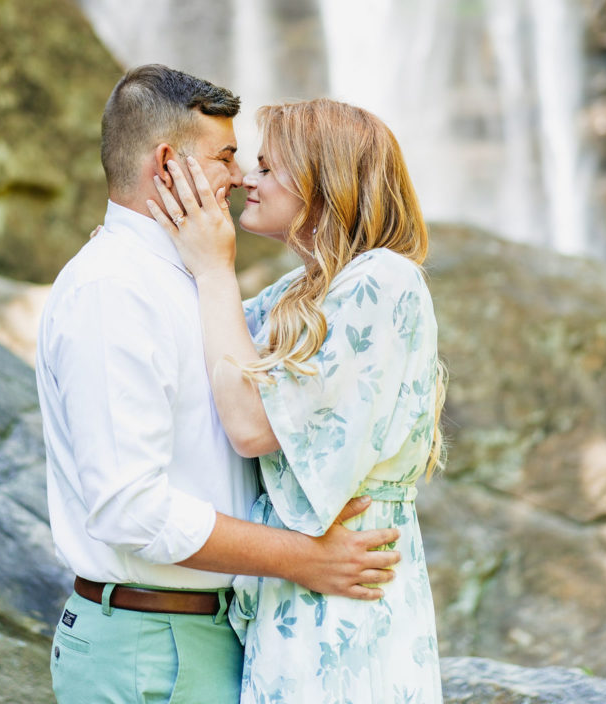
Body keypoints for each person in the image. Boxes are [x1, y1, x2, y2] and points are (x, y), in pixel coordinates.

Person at [35, 66, 402, 704]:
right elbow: (131, 507)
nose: (239, 177)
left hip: (195, 635)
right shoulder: (113, 292)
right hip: (152, 648)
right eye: (226, 156)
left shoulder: (189, 280)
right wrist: (302, 557)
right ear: (168, 163)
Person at [148, 97, 446, 704]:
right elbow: (206, 344)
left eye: (266, 165)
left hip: (347, 596)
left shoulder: (384, 279)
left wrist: (215, 269)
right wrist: (138, 252)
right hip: (298, 586)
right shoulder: (302, 290)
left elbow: (252, 423)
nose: (246, 180)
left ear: (323, 178)